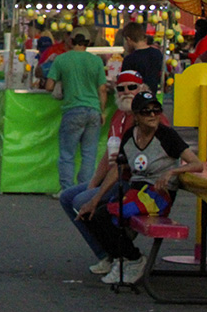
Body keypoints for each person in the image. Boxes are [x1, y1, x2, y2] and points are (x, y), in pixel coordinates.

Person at [77, 92, 203, 285]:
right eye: (146, 112)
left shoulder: (166, 135)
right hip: (135, 191)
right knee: (91, 214)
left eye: (156, 110)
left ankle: (134, 259)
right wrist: (94, 199)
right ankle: (122, 258)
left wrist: (172, 172)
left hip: (158, 194)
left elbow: (197, 164)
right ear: (135, 116)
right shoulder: (129, 136)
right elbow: (119, 168)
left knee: (108, 215)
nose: (153, 115)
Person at [60, 70, 150, 276]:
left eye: (132, 87)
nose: (127, 92)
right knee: (68, 197)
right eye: (121, 88)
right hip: (116, 177)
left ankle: (123, 254)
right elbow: (108, 155)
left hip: (137, 182)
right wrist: (93, 184)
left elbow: (127, 164)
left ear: (142, 89)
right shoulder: (119, 115)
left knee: (83, 201)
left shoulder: (145, 116)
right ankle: (106, 255)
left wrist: (95, 195)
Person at [43, 29, 108, 193]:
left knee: (67, 154)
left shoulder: (62, 59)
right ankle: (84, 189)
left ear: (71, 41)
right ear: (89, 43)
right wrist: (102, 111)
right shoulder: (96, 61)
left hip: (72, 110)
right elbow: (102, 89)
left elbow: (49, 86)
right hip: (93, 111)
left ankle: (66, 190)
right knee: (89, 154)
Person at [120, 21, 164, 93]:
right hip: (153, 94)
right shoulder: (157, 53)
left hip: (136, 96)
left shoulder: (130, 59)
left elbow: (125, 80)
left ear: (129, 39)